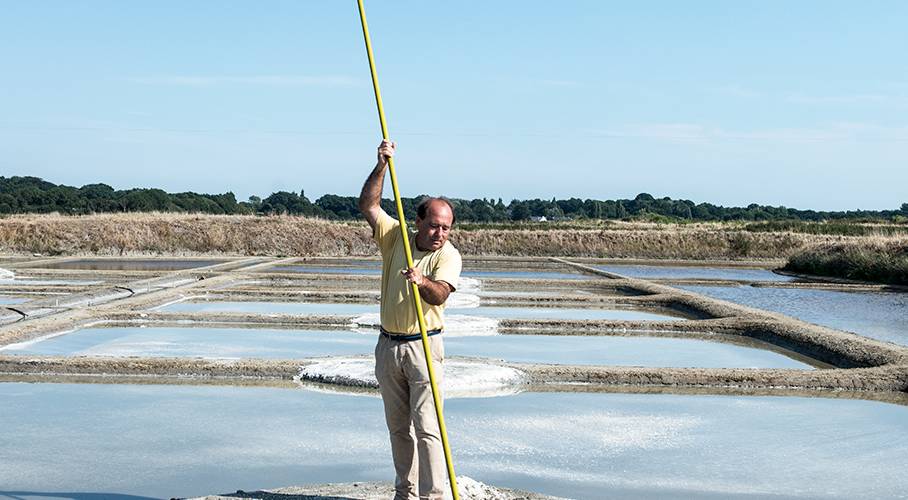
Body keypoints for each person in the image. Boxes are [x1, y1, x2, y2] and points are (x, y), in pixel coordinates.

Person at [358, 139, 462, 500]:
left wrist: (421, 282)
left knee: (428, 428)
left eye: (446, 228)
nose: (440, 234)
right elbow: (368, 205)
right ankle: (406, 493)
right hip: (388, 346)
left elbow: (441, 294)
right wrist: (382, 164)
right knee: (398, 429)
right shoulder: (395, 237)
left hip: (423, 346)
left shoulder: (448, 256)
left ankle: (434, 496)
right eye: (434, 226)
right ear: (418, 221)